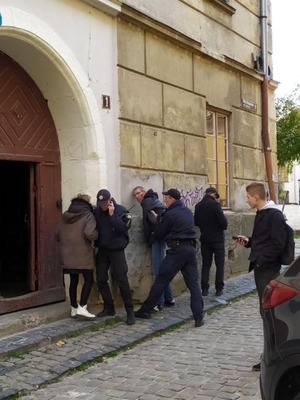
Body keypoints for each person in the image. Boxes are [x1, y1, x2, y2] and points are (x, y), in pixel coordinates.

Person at [234, 182, 287, 371]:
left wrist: (262, 259)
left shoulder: (274, 215)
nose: (246, 200)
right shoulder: (262, 213)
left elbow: (278, 244)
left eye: (248, 197)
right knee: (265, 313)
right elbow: (263, 240)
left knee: (270, 313)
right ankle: (270, 354)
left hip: (267, 270)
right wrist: (249, 242)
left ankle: (274, 355)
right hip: (261, 268)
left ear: (256, 197)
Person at [135, 188, 204, 327]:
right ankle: (198, 317)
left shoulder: (171, 213)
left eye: (166, 198)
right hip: (190, 249)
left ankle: (145, 310)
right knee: (194, 285)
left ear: (172, 199)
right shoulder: (187, 211)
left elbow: (160, 231)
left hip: (177, 250)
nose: (165, 200)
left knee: (161, 279)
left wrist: (156, 221)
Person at [93, 189, 135, 325]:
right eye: (100, 203)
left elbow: (124, 229)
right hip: (103, 250)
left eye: (104, 203)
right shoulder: (97, 212)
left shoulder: (121, 211)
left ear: (110, 200)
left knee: (122, 279)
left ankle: (130, 311)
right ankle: (109, 307)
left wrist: (112, 216)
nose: (103, 206)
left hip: (117, 250)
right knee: (100, 278)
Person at [132, 186, 174, 311]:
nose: (137, 196)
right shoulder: (153, 199)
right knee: (162, 269)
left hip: (157, 238)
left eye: (139, 193)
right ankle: (169, 298)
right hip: (162, 237)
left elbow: (152, 223)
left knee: (157, 271)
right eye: (135, 195)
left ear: (144, 193)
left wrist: (149, 239)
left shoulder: (147, 202)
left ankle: (158, 301)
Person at [56, 194, 98, 319]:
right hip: (83, 253)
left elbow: (57, 234)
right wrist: (97, 233)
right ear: (87, 203)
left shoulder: (65, 216)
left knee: (73, 280)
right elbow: (90, 234)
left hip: (68, 255)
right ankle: (83, 306)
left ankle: (73, 307)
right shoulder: (88, 215)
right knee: (89, 279)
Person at [194, 187, 228, 297]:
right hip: (217, 239)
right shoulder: (215, 205)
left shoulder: (198, 206)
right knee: (219, 264)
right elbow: (223, 223)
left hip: (205, 239)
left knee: (206, 264)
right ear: (213, 194)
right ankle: (219, 288)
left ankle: (204, 288)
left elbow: (196, 222)